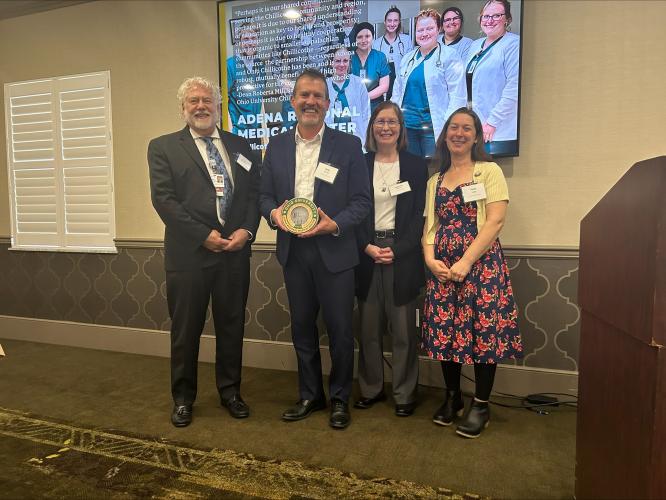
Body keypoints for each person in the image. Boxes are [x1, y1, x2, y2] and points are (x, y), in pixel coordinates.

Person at [259, 68, 371, 430]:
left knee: (340, 330)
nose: (311, 102)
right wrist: (275, 214)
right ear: (293, 102)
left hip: (335, 251)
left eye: (318, 96)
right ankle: (310, 394)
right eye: (304, 95)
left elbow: (361, 202)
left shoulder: (349, 145)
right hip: (294, 253)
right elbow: (263, 197)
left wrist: (333, 223)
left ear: (328, 103)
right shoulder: (275, 146)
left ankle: (339, 398)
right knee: (302, 327)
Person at [148, 77, 260, 427]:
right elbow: (164, 200)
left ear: (218, 106)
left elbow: (253, 196)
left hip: (234, 254)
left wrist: (246, 230)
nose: (201, 106)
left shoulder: (242, 147)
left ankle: (230, 392)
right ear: (183, 109)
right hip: (190, 256)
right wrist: (203, 236)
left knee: (231, 326)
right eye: (193, 101)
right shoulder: (163, 147)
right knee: (186, 330)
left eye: (207, 100)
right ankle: (183, 398)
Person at [421, 107, 522, 438]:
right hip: (443, 271)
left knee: (482, 334)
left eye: (467, 128)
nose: (459, 133)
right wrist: (430, 260)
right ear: (445, 134)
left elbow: (495, 221)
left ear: (477, 136)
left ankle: (480, 404)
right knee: (445, 333)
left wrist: (465, 262)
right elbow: (430, 228)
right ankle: (452, 399)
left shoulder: (489, 171)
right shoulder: (435, 180)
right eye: (454, 127)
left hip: (480, 267)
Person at [354, 101, 427, 417]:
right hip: (367, 254)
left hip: (403, 256)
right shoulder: (359, 163)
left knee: (403, 331)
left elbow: (418, 218)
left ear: (401, 127)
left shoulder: (415, 165)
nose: (386, 127)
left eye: (392, 121)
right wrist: (367, 246)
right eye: (380, 121)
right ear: (372, 126)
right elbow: (353, 213)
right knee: (368, 330)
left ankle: (404, 393)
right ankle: (371, 388)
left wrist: (397, 250)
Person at [391, 9, 466, 158]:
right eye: (420, 30)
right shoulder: (407, 59)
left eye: (429, 28)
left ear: (438, 29)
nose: (424, 33)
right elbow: (396, 94)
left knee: (436, 173)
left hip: (434, 129)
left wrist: (449, 128)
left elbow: (458, 97)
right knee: (413, 174)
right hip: (408, 129)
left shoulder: (449, 56)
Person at [465, 0, 520, 156]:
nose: (489, 20)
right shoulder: (475, 45)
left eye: (496, 15)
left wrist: (492, 122)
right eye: (485, 16)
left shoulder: (513, 44)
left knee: (493, 176)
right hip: (475, 126)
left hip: (497, 130)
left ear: (507, 19)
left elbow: (514, 88)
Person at [272, 0, 337, 129]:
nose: (309, 5)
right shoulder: (288, 29)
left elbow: (336, 55)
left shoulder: (327, 27)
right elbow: (275, 55)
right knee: (288, 131)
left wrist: (330, 81)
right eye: (305, 2)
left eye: (313, 1)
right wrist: (280, 81)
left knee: (320, 130)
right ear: (300, 5)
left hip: (319, 93)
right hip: (293, 91)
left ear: (318, 4)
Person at [226, 22, 267, 152]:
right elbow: (223, 104)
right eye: (246, 39)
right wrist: (229, 134)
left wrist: (265, 135)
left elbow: (260, 101)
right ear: (239, 42)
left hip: (256, 134)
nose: (250, 43)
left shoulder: (260, 65)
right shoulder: (230, 65)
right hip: (238, 133)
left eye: (253, 38)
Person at [325, 45, 370, 146]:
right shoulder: (324, 85)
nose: (342, 64)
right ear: (331, 62)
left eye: (345, 61)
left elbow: (366, 116)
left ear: (349, 62)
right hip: (331, 143)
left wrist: (364, 141)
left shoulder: (359, 84)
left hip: (355, 142)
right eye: (337, 61)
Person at [372, 6, 413, 100]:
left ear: (399, 22)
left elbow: (410, 65)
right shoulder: (376, 44)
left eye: (395, 20)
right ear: (385, 22)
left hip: (401, 86)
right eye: (389, 20)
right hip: (382, 88)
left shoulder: (406, 40)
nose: (392, 24)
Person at [350, 22, 390, 112]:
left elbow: (384, 86)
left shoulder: (380, 57)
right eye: (360, 37)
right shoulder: (349, 57)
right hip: (353, 107)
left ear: (372, 38)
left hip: (375, 107)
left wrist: (364, 98)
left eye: (367, 36)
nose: (364, 40)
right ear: (355, 39)